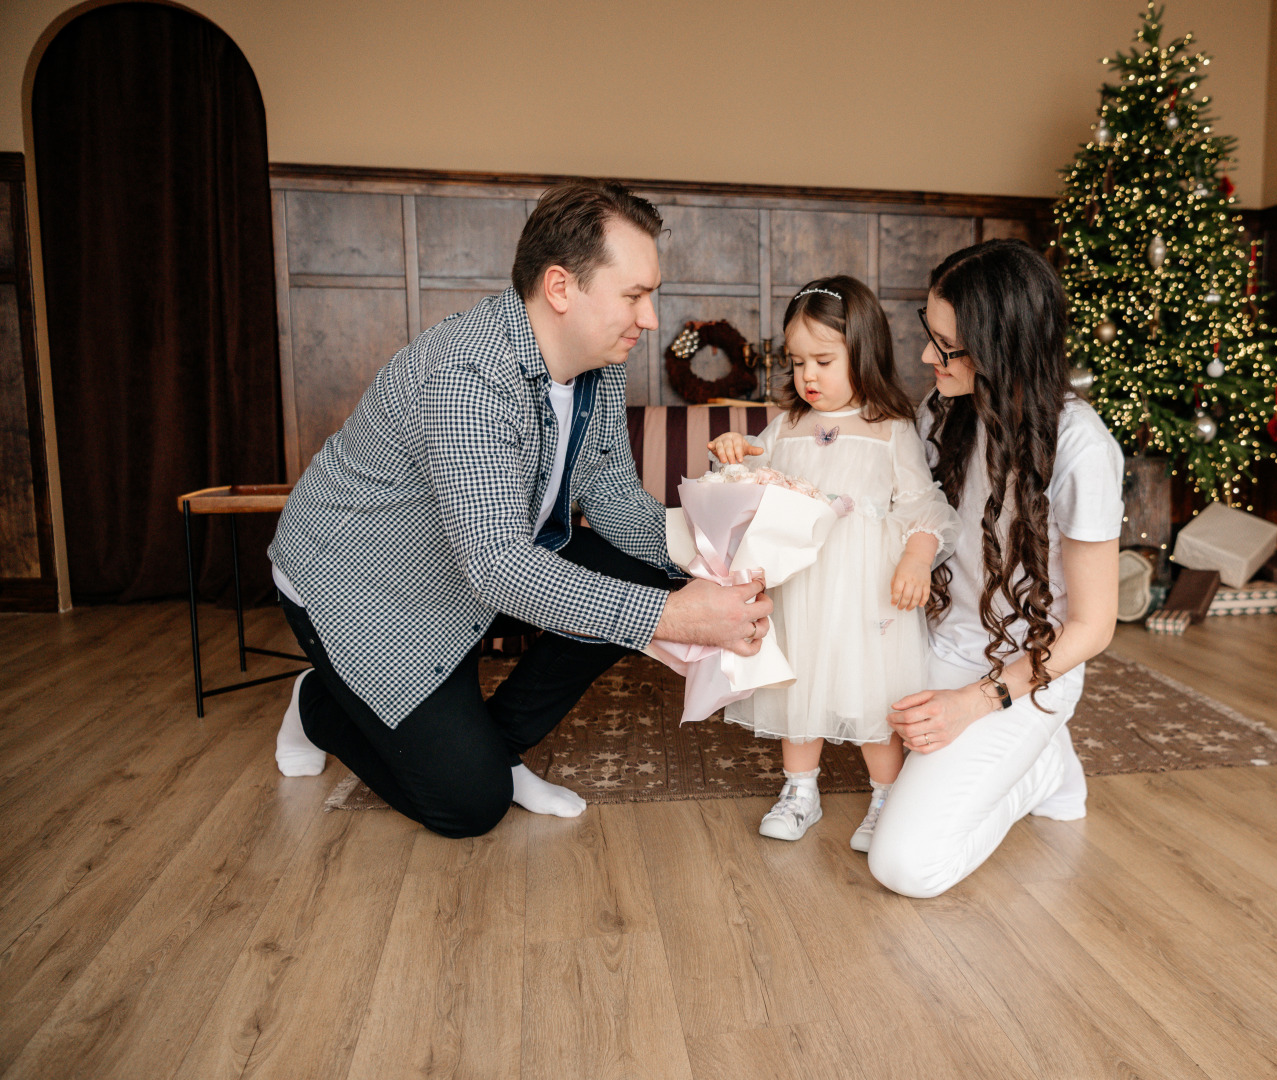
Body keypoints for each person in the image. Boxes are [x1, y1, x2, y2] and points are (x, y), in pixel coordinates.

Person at [267, 180, 772, 839]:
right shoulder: (467, 376)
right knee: (467, 807)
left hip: (471, 562)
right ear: (560, 288)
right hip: (364, 589)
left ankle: (497, 748)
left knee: (647, 572)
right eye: (633, 295)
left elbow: (614, 495)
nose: (650, 319)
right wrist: (676, 615)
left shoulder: (599, 359)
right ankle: (318, 705)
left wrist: (717, 556)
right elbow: (499, 566)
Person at [865, 240, 1124, 898]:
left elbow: (1092, 629)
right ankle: (1038, 757)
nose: (928, 358)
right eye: (931, 337)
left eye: (947, 346)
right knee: (842, 689)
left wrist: (972, 705)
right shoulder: (941, 414)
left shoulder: (1081, 448)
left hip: (1026, 669)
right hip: (941, 642)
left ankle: (1034, 769)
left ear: (1002, 347)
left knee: (905, 868)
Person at [708, 276, 959, 852]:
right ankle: (801, 791)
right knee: (800, 687)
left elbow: (924, 503)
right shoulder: (787, 425)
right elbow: (752, 477)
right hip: (805, 587)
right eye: (797, 363)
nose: (808, 377)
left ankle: (886, 798)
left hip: (871, 592)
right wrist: (730, 452)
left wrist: (917, 559)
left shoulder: (889, 428)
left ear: (863, 353)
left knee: (876, 695)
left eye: (823, 360)